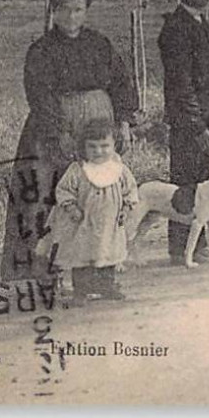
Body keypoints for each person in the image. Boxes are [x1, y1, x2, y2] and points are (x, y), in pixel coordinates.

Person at [1, 0, 138, 282]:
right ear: (53, 11)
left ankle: (95, 266)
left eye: (78, 9)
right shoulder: (41, 50)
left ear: (86, 11)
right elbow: (39, 94)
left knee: (97, 194)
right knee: (46, 191)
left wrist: (124, 122)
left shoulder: (100, 44)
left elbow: (121, 83)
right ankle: (36, 269)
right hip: (55, 125)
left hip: (99, 125)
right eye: (64, 10)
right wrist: (57, 132)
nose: (71, 16)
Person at [157, 0, 209, 263]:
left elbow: (207, 67)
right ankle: (179, 250)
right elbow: (181, 84)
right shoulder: (176, 28)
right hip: (191, 121)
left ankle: (195, 247)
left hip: (208, 114)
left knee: (201, 184)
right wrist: (198, 126)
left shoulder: (200, 22)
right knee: (185, 184)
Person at [39, 118, 139, 304]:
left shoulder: (119, 169)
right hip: (84, 223)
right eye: (92, 147)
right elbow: (63, 190)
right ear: (83, 148)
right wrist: (71, 206)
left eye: (104, 146)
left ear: (113, 145)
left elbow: (130, 189)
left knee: (108, 253)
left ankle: (106, 286)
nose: (98, 151)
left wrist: (126, 207)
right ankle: (81, 291)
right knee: (82, 256)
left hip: (110, 223)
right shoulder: (78, 170)